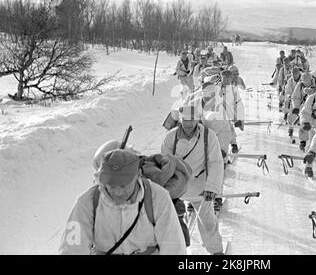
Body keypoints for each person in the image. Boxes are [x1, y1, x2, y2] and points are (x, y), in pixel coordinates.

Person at [59, 149, 187, 255]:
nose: (118, 192)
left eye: (124, 185)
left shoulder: (158, 198)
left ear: (138, 175)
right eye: (112, 186)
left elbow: (173, 247)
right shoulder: (86, 202)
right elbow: (71, 249)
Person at [161, 104, 225, 255]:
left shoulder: (209, 136)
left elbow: (215, 162)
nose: (188, 124)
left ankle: (216, 251)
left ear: (197, 119)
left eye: (191, 120)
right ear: (180, 120)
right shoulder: (171, 137)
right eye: (185, 120)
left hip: (201, 187)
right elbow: (164, 164)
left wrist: (211, 188)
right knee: (169, 222)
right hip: (177, 186)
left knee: (207, 220)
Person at [283, 67, 301, 143]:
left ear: (298, 73)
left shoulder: (302, 80)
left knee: (303, 117)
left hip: (302, 100)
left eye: (296, 74)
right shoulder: (290, 81)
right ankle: (291, 129)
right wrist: (289, 96)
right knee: (291, 116)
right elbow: (288, 90)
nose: (294, 75)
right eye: (293, 74)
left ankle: (303, 136)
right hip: (293, 100)